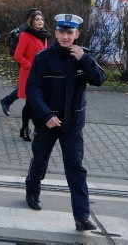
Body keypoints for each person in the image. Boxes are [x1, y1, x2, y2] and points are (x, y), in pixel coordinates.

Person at [25, 13, 105, 232]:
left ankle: (81, 216)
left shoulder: (84, 56)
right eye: (61, 32)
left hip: (73, 125)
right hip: (47, 123)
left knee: (76, 167)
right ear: (56, 33)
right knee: (40, 159)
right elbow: (32, 89)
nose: (65, 36)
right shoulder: (43, 57)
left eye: (70, 33)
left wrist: (85, 60)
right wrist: (46, 115)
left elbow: (99, 80)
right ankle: (32, 190)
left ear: (76, 34)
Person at [13, 10, 49, 141]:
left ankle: (36, 129)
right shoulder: (25, 35)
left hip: (42, 75)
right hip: (29, 74)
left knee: (38, 103)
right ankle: (25, 128)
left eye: (42, 19)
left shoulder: (45, 35)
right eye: (37, 19)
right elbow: (18, 55)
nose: (40, 21)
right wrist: (29, 65)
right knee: (30, 103)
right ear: (32, 22)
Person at [0, 8, 39, 116]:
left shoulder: (38, 30)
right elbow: (18, 52)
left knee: (27, 87)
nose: (40, 20)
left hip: (33, 64)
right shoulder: (24, 30)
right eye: (36, 17)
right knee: (27, 87)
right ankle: (9, 102)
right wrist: (26, 63)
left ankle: (8, 101)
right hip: (26, 63)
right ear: (30, 19)